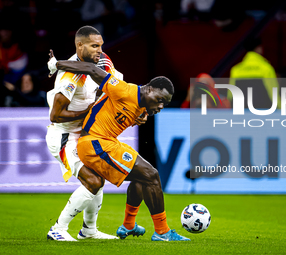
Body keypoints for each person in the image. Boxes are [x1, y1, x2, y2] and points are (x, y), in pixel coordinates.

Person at [47, 52, 190, 242]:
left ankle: (127, 226)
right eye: (160, 99)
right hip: (94, 143)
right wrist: (57, 64)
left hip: (104, 142)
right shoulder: (124, 90)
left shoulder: (140, 107)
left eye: (165, 103)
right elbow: (91, 69)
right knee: (152, 175)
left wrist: (143, 113)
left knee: (143, 177)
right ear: (149, 89)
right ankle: (162, 232)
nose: (162, 106)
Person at [45, 26, 131, 241]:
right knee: (92, 182)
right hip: (64, 137)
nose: (99, 51)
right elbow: (55, 115)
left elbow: (116, 89)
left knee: (98, 179)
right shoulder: (70, 76)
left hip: (86, 135)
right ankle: (58, 228)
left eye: (101, 45)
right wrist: (91, 111)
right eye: (94, 46)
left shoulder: (103, 61)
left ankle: (89, 230)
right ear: (79, 45)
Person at [228, 37, 281, 110]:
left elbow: (230, 95)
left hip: (242, 112)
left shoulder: (235, 70)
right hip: (262, 112)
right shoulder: (266, 68)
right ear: (259, 48)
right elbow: (273, 93)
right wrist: (280, 108)